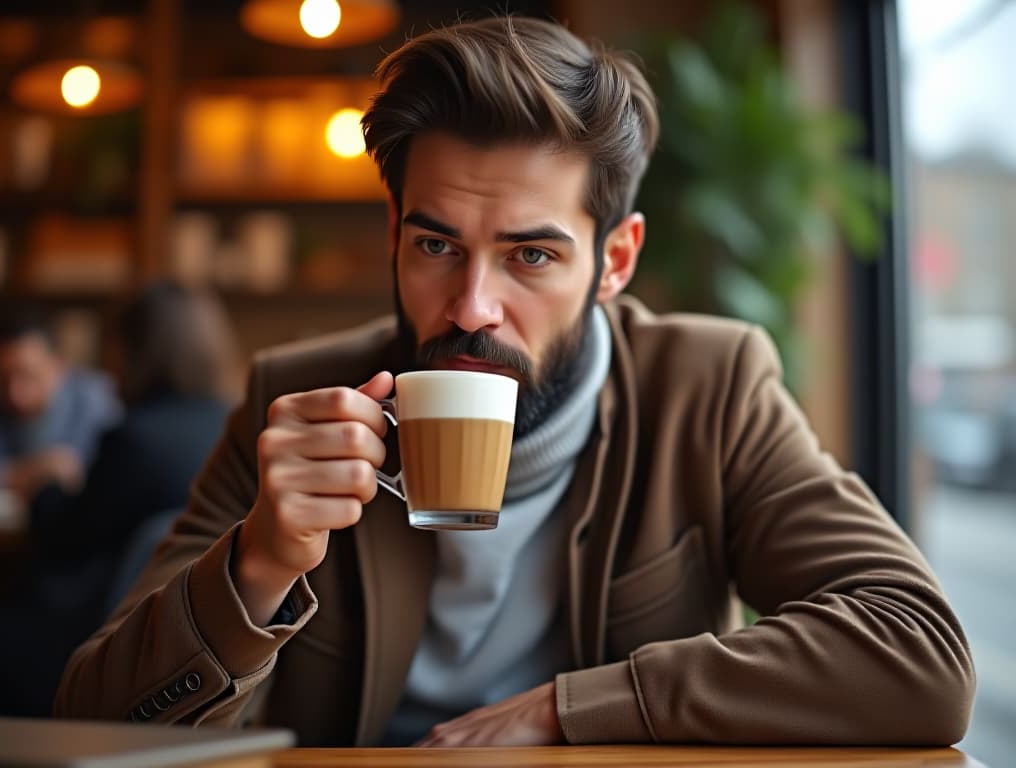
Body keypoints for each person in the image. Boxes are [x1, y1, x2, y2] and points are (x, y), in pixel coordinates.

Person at [56, 16, 974, 747]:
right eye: (435, 245)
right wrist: (256, 565)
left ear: (615, 261)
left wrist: (565, 712)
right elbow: (93, 726)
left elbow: (918, 654)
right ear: (393, 238)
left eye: (530, 255)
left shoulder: (709, 387)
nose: (470, 307)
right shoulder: (296, 397)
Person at [0, 282, 237, 717]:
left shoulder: (135, 439)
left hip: (103, 642)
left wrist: (45, 486)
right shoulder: (231, 429)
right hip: (201, 651)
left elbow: (63, 540)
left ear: (132, 350)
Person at [0, 308, 120, 502]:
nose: (14, 394)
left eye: (28, 376)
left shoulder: (98, 399)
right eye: (4, 379)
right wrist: (34, 471)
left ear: (58, 366)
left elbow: (120, 471)